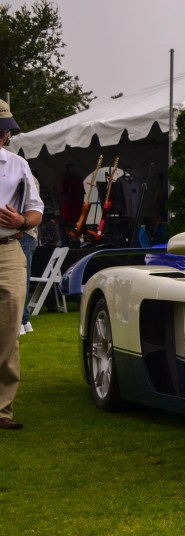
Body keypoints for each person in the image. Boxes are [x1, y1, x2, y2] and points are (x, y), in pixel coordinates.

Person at [0, 98, 43, 429]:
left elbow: (36, 210)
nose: (3, 136)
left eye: (4, 130)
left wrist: (22, 221)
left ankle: (2, 410)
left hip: (8, 249)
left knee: (9, 326)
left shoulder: (17, 165)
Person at [17, 178, 38, 335]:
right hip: (26, 235)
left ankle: (20, 321)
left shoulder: (23, 176)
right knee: (21, 279)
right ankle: (24, 320)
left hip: (22, 234)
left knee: (19, 280)